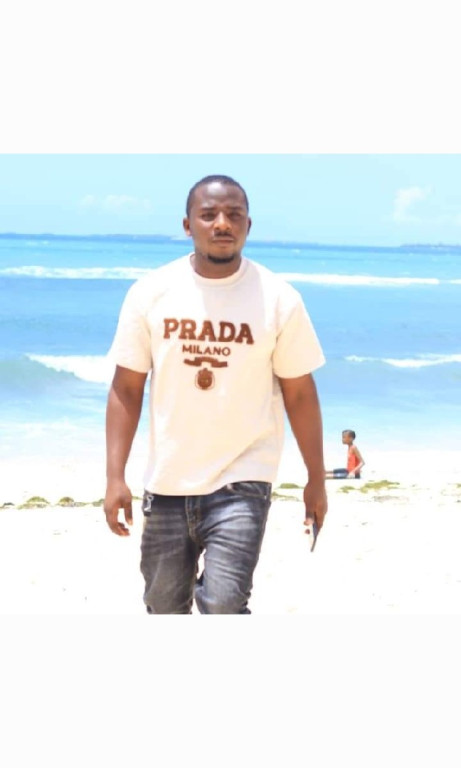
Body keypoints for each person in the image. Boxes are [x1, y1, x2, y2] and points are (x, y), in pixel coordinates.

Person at [104, 174, 328, 614]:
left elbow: (300, 393)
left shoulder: (279, 299)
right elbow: (127, 388)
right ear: (188, 225)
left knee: (225, 604)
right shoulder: (151, 293)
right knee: (163, 605)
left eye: (233, 215)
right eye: (208, 215)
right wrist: (115, 477)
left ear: (248, 225)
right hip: (167, 481)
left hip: (244, 479)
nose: (222, 223)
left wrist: (316, 478)